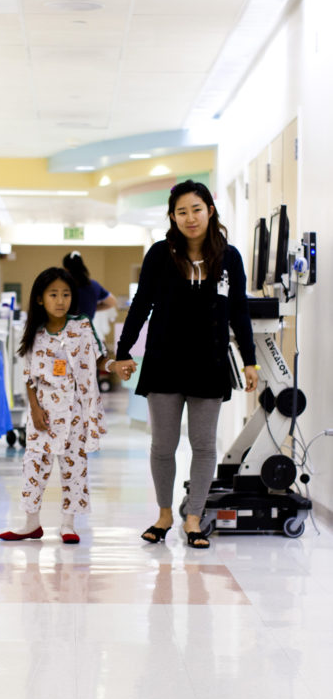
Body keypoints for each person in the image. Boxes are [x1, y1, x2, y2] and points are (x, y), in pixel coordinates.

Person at [113, 180, 259, 549]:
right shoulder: (160, 254)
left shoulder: (230, 257)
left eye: (196, 209)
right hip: (164, 360)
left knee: (204, 444)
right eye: (182, 211)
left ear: (210, 210)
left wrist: (250, 361)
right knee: (163, 444)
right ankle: (164, 515)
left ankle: (194, 518)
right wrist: (123, 351)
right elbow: (142, 303)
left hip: (209, 361)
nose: (190, 218)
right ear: (172, 217)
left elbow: (239, 311)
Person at [0, 267, 124, 544]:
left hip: (74, 413)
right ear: (41, 298)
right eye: (53, 294)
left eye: (66, 294)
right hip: (42, 413)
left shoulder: (81, 326)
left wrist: (115, 366)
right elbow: (28, 376)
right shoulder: (34, 332)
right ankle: (31, 523)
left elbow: (100, 358)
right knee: (34, 466)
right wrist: (34, 409)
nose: (60, 300)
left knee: (74, 467)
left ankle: (68, 524)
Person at [62, 250, 117, 320]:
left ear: (65, 269)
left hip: (65, 328)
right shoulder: (94, 285)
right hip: (86, 328)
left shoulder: (62, 286)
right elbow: (112, 302)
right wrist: (93, 307)